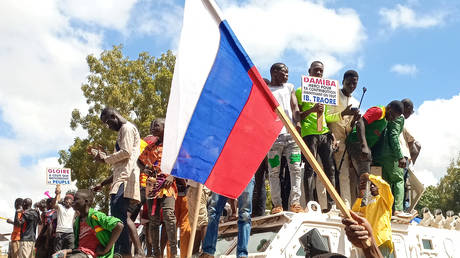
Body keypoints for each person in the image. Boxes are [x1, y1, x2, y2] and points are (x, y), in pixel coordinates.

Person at [296, 61, 346, 212]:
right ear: (309, 71)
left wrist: (343, 114)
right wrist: (311, 109)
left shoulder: (325, 92)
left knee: (330, 169)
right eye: (316, 70)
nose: (318, 73)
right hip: (309, 134)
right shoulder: (300, 91)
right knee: (310, 169)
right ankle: (311, 204)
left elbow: (327, 117)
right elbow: (297, 115)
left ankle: (331, 205)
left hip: (324, 134)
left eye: (321, 71)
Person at [92, 107, 141, 257]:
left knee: (117, 216)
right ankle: (124, 251)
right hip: (121, 177)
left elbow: (126, 152)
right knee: (119, 215)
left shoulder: (126, 128)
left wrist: (105, 159)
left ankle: (123, 252)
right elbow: (120, 163)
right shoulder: (123, 131)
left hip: (125, 179)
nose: (108, 126)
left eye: (107, 122)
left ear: (114, 116)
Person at [346, 100, 404, 205]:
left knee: (364, 176)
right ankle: (364, 205)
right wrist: (364, 145)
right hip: (356, 142)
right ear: (389, 107)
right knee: (365, 175)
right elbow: (360, 123)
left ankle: (360, 203)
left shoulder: (385, 120)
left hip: (363, 146)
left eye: (394, 117)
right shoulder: (379, 111)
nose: (392, 118)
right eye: (392, 115)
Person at [138, 118, 178, 257]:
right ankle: (156, 253)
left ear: (165, 128)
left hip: (168, 186)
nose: (152, 127)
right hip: (153, 187)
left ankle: (173, 252)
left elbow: (182, 161)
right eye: (151, 125)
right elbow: (139, 161)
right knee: (153, 220)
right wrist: (145, 170)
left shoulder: (173, 146)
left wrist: (172, 176)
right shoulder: (150, 147)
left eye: (156, 125)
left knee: (168, 215)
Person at [266, 62, 303, 214]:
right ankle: (277, 205)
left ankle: (295, 203)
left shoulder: (289, 87)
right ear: (274, 72)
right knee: (274, 172)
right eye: (284, 72)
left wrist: (298, 122)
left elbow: (295, 107)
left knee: (295, 170)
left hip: (291, 135)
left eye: (288, 73)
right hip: (273, 137)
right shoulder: (266, 91)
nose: (287, 75)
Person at [54, 189, 124, 258]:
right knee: (56, 256)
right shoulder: (77, 222)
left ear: (86, 202)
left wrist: (106, 250)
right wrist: (66, 251)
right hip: (81, 252)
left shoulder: (95, 216)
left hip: (92, 253)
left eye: (76, 199)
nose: (73, 202)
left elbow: (119, 225)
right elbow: (80, 246)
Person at [326, 70, 360, 207]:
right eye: (349, 82)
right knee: (328, 172)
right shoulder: (333, 95)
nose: (352, 85)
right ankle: (327, 204)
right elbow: (326, 118)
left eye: (354, 83)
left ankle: (345, 205)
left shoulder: (355, 101)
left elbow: (351, 125)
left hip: (346, 142)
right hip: (331, 137)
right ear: (343, 81)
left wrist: (354, 119)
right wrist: (343, 113)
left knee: (344, 174)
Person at [200, 177, 255, 258]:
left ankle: (242, 255)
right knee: (213, 212)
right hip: (224, 172)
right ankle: (208, 252)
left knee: (245, 215)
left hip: (246, 173)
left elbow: (273, 164)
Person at [371, 101, 407, 214]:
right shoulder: (399, 118)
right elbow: (393, 136)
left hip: (378, 153)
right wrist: (400, 156)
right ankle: (398, 209)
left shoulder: (386, 114)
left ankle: (385, 209)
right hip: (390, 155)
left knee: (385, 183)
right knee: (398, 180)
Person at [352, 173, 394, 257]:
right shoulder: (368, 204)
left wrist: (370, 177)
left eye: (374, 185)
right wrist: (360, 196)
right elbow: (355, 212)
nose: (371, 187)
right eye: (370, 185)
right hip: (370, 242)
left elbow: (385, 186)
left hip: (382, 240)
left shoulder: (385, 199)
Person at [52, 185, 75, 253]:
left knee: (71, 251)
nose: (68, 201)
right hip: (59, 232)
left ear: (72, 202)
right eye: (66, 200)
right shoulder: (60, 207)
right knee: (57, 252)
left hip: (70, 233)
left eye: (69, 200)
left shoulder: (74, 210)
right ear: (64, 201)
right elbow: (53, 204)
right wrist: (56, 194)